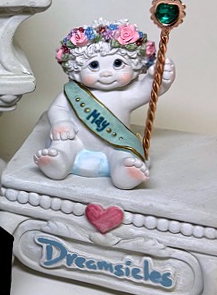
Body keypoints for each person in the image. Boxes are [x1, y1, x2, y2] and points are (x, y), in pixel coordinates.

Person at [34, 19, 175, 189]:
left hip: (114, 144)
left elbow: (150, 90)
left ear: (135, 66)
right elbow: (57, 108)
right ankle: (59, 161)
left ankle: (124, 172)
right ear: (76, 70)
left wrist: (159, 78)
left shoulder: (126, 94)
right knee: (64, 143)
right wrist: (61, 122)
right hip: (77, 141)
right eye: (94, 65)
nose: (106, 73)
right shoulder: (73, 92)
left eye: (118, 63)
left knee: (122, 153)